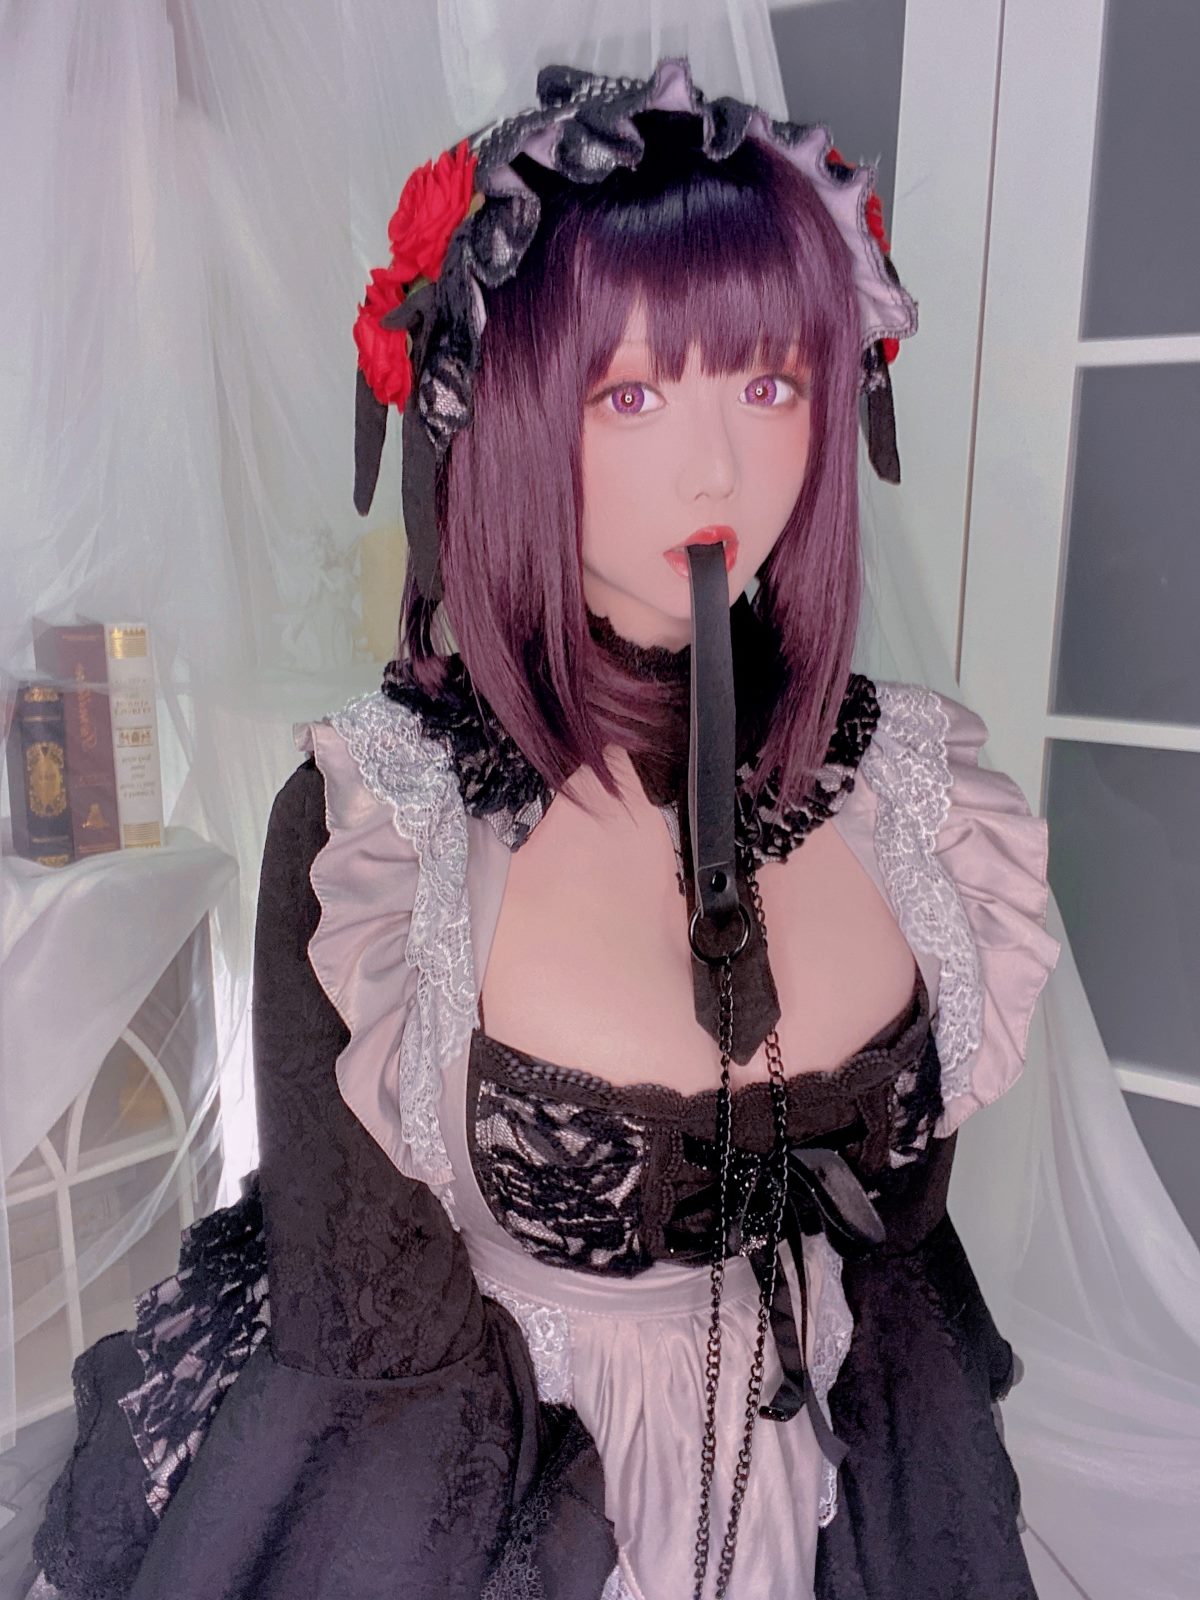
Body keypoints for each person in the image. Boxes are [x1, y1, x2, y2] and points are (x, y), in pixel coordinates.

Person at [28, 58, 1058, 1600]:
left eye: (771, 383)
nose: (717, 467)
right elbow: (378, 1330)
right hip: (498, 1503)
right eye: (628, 395)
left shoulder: (919, 794)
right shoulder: (384, 829)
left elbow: (900, 1252)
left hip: (843, 1489)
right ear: (498, 417)